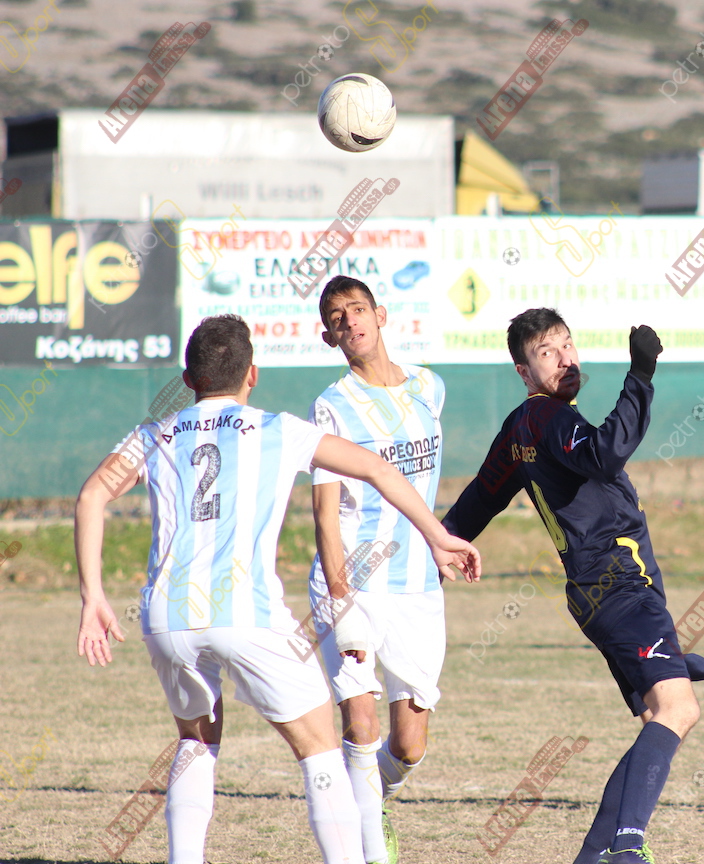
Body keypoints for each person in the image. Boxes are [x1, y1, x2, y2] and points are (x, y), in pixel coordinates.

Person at [74, 314, 480, 864]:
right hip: (249, 614)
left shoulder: (154, 434)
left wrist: (93, 596)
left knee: (196, 742)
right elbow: (379, 471)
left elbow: (93, 495)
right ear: (252, 375)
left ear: (190, 378)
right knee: (320, 752)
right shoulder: (277, 429)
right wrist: (436, 535)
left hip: (168, 619)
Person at [442, 309, 704, 864]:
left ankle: (593, 855)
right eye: (547, 353)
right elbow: (608, 451)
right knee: (679, 710)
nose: (565, 359)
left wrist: (441, 542)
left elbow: (478, 499)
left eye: (567, 345)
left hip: (595, 593)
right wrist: (641, 374)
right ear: (523, 370)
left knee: (659, 718)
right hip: (620, 586)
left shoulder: (521, 428)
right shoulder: (551, 419)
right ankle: (627, 849)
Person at [308, 276, 452, 864]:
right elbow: (323, 511)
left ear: (381, 314)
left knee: (410, 744)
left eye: (358, 310)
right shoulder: (331, 405)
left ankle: (375, 803)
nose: (350, 321)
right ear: (328, 335)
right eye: (337, 317)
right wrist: (339, 591)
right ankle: (369, 852)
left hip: (417, 585)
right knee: (360, 727)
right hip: (354, 586)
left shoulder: (430, 387)